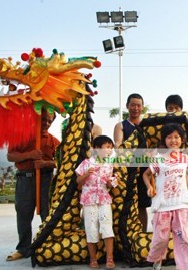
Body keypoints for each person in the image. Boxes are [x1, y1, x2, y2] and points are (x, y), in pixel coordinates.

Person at [6, 109, 60, 261]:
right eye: (43, 119)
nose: (46, 124)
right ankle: (23, 249)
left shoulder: (54, 141)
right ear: (35, 118)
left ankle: (47, 245)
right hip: (25, 179)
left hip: (46, 180)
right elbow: (10, 156)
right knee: (23, 213)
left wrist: (45, 163)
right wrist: (29, 155)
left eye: (50, 121)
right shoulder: (21, 136)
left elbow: (61, 162)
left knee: (47, 213)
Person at [143, 123, 188, 270]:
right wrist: (150, 187)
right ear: (164, 140)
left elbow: (184, 174)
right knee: (160, 238)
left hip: (181, 204)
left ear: (182, 139)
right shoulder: (159, 159)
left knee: (183, 238)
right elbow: (146, 174)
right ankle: (158, 259)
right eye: (169, 137)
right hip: (163, 204)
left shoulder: (185, 159)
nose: (173, 140)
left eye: (176, 137)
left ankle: (185, 267)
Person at [75, 135, 118, 269]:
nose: (109, 151)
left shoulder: (109, 165)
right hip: (89, 201)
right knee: (91, 228)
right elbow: (78, 181)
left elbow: (109, 185)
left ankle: (109, 259)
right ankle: (93, 259)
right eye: (107, 147)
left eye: (111, 148)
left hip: (104, 199)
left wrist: (113, 182)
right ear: (96, 149)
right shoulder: (86, 163)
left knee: (107, 227)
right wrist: (87, 174)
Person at [113, 93, 151, 231]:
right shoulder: (121, 126)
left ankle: (143, 234)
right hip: (127, 171)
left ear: (142, 107)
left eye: (139, 105)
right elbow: (118, 144)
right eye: (133, 105)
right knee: (125, 203)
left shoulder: (147, 125)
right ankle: (124, 233)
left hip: (143, 171)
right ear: (127, 106)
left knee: (142, 205)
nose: (136, 108)